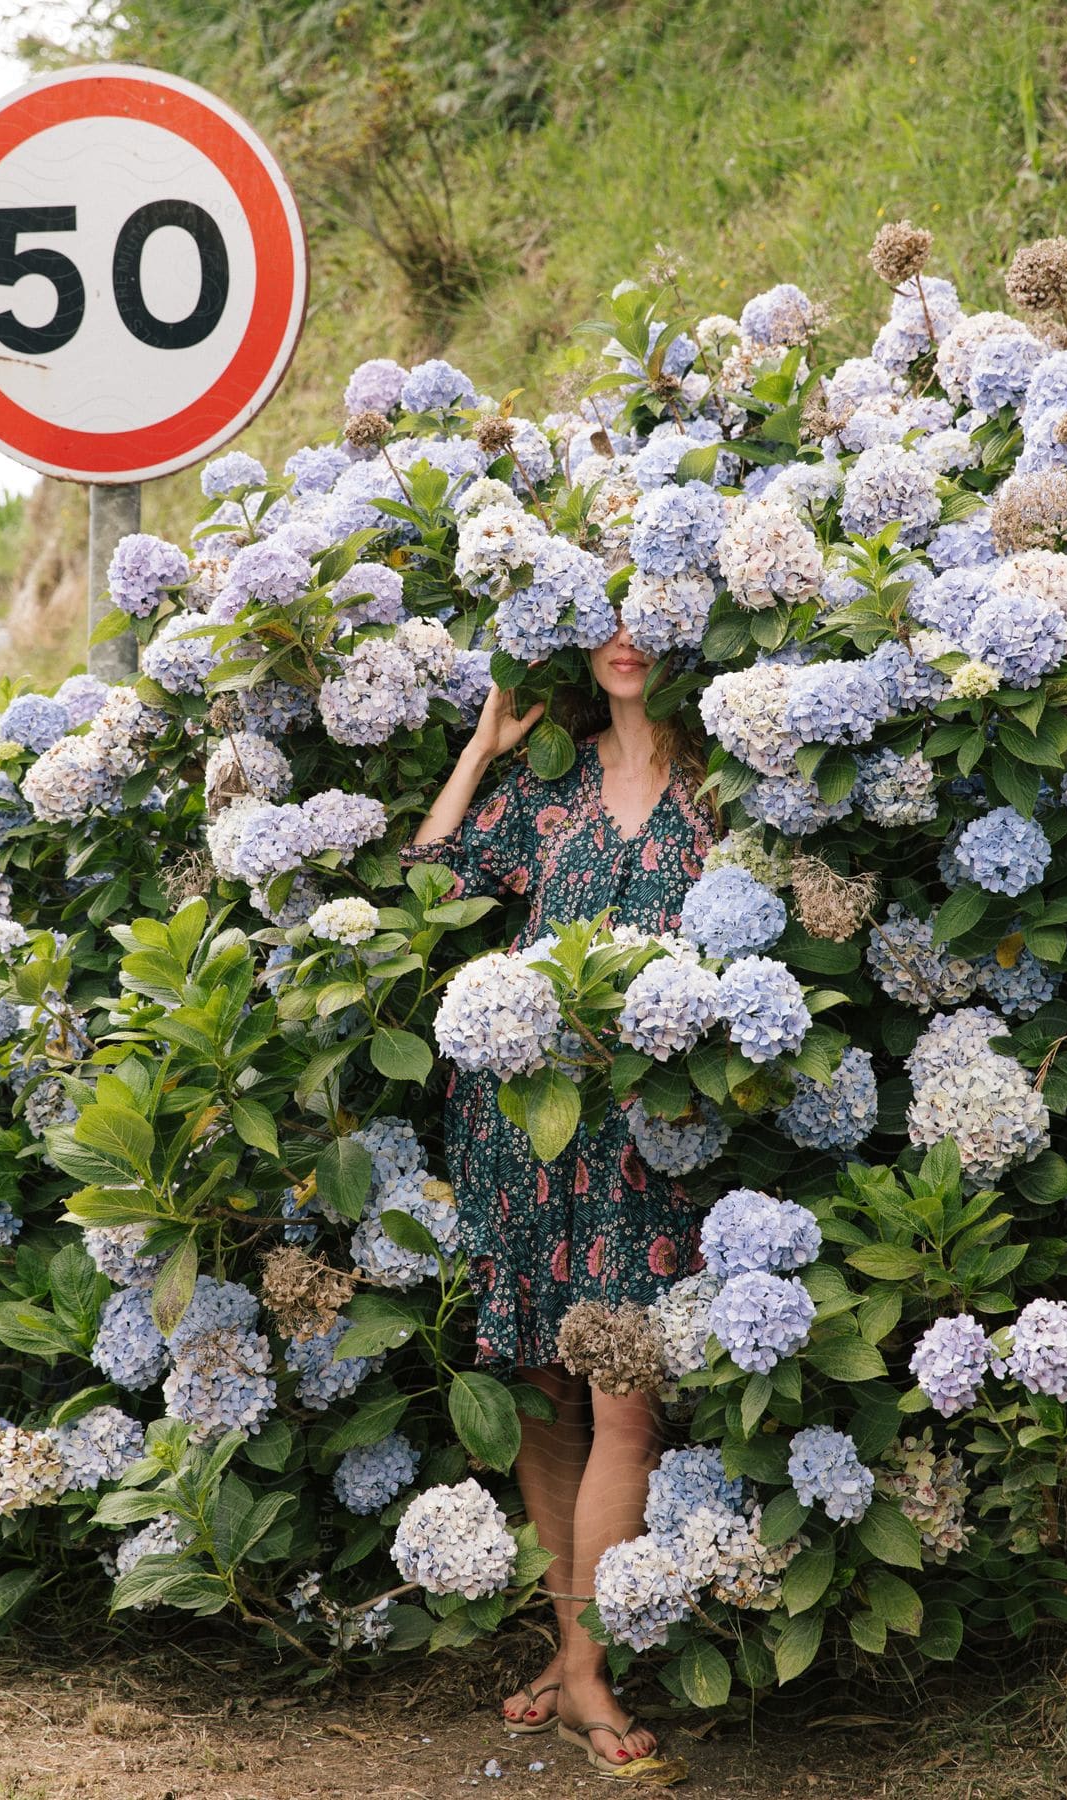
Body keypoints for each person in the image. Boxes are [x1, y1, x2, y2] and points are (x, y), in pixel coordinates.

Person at [399, 612, 720, 1772]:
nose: (629, 643)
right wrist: (483, 743)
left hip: (649, 1137)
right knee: (545, 1392)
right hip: (523, 1128)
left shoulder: (721, 790)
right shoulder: (552, 790)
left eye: (653, 621)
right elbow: (429, 883)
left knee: (626, 1398)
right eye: (608, 622)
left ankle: (583, 1667)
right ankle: (572, 1648)